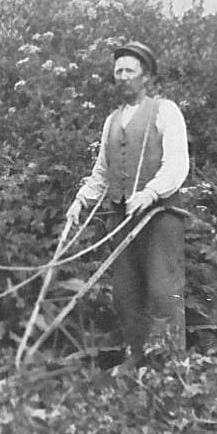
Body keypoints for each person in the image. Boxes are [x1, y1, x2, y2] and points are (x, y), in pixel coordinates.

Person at [65, 41, 190, 360]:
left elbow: (177, 164)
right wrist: (81, 201)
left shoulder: (165, 111)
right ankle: (139, 368)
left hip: (159, 218)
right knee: (125, 296)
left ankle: (172, 374)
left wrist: (150, 193)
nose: (122, 77)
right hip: (120, 220)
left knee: (163, 293)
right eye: (117, 71)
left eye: (129, 71)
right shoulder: (111, 121)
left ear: (146, 77)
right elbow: (102, 173)